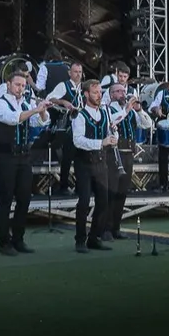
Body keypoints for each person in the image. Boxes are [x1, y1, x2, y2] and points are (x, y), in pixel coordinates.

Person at [0, 72, 50, 256]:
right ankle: (4, 242)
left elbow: (39, 122)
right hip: (5, 156)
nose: (21, 89)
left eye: (23, 86)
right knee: (6, 199)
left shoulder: (25, 103)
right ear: (8, 84)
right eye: (17, 85)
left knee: (25, 199)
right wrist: (35, 108)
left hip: (24, 156)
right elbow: (13, 119)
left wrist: (42, 109)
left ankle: (18, 239)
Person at [71, 79, 116, 253]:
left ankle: (94, 237)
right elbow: (78, 140)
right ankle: (80, 240)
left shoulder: (105, 113)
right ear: (86, 94)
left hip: (101, 162)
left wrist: (113, 137)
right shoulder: (80, 115)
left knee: (103, 202)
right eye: (95, 92)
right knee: (83, 202)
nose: (99, 95)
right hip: (84, 163)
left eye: (100, 92)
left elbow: (109, 132)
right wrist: (101, 142)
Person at [107, 82, 153, 240]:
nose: (122, 94)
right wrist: (127, 107)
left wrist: (139, 110)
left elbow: (147, 124)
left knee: (122, 192)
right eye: (118, 91)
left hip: (128, 154)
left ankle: (116, 227)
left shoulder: (132, 111)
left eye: (123, 91)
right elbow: (114, 122)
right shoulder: (109, 109)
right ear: (112, 95)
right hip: (114, 153)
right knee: (111, 191)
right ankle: (106, 228)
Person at [45, 61, 84, 194]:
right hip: (69, 126)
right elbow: (49, 98)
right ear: (69, 73)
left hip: (83, 126)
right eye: (75, 72)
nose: (78, 75)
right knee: (67, 157)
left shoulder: (84, 87)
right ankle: (63, 186)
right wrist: (63, 102)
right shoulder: (64, 85)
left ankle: (81, 185)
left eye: (80, 72)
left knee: (82, 158)